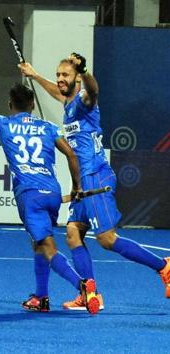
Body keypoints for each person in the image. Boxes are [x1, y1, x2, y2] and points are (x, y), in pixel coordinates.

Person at [19, 53, 170, 310]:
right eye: (58, 75)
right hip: (84, 181)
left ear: (77, 78)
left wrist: (85, 71)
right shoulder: (68, 102)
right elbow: (56, 92)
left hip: (96, 176)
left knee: (107, 239)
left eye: (65, 75)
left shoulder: (85, 100)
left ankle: (164, 267)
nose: (60, 80)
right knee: (73, 233)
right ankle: (90, 294)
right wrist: (34, 75)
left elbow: (94, 89)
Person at [0, 73, 100, 314]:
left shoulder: (4, 123)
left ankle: (83, 287)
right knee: (38, 243)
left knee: (47, 246)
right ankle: (41, 297)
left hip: (29, 196)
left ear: (10, 105)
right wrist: (76, 187)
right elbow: (72, 155)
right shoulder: (49, 128)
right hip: (52, 194)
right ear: (33, 105)